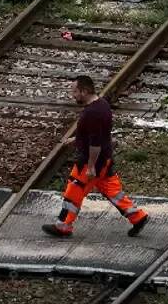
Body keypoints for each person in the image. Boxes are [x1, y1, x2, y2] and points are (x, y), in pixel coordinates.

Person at [42, 74, 149, 238]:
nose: (73, 95)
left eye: (75, 91)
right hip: (104, 159)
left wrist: (91, 166)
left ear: (84, 91)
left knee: (74, 190)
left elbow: (95, 143)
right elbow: (94, 133)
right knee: (112, 190)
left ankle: (63, 226)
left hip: (91, 161)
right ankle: (138, 217)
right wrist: (76, 139)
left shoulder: (92, 113)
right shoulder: (102, 104)